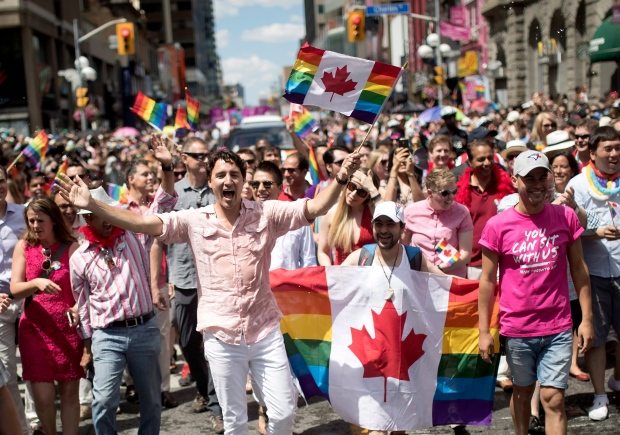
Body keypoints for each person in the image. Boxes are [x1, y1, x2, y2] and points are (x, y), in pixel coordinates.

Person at [57, 148, 362, 434]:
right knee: (234, 421)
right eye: (220, 175)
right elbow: (143, 223)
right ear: (212, 181)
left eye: (234, 174)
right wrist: (93, 205)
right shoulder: (194, 220)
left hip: (265, 329)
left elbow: (318, 206)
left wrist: (342, 178)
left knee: (283, 411)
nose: (227, 180)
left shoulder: (267, 213)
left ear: (243, 180)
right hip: (221, 334)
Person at [478, 150, 594, 435]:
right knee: (522, 391)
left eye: (543, 177)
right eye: (530, 178)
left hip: (558, 326)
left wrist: (588, 319)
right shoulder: (498, 226)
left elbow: (579, 270)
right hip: (517, 328)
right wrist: (483, 331)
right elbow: (487, 281)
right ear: (516, 181)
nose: (538, 184)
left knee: (552, 397)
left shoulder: (565, 216)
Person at [69, 187, 163, 435]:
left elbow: (162, 207)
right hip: (107, 336)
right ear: (88, 219)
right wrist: (88, 344)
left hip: (144, 329)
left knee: (152, 400)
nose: (110, 219)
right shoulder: (79, 258)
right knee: (103, 401)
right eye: (102, 214)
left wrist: (166, 167)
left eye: (112, 213)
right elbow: (83, 305)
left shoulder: (134, 235)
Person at [342, 201, 440, 435]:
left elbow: (446, 287)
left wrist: (485, 293)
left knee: (399, 426)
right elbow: (329, 285)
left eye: (390, 224)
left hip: (402, 357)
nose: (384, 230)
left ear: (402, 228)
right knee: (371, 426)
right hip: (367, 353)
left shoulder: (415, 258)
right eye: (379, 224)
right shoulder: (361, 257)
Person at [156, 137, 223, 428]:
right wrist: (159, 281)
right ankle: (203, 387)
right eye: (196, 155)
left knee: (215, 343)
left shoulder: (219, 189)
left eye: (206, 154)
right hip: (182, 279)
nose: (202, 159)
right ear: (185, 158)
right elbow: (158, 238)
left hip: (214, 279)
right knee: (188, 343)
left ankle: (217, 406)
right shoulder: (176, 193)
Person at [10, 197, 82, 435]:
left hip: (67, 330)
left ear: (53, 220)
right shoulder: (24, 247)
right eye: (30, 220)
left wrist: (79, 308)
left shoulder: (72, 247)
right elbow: (15, 288)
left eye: (40, 220)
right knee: (43, 397)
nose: (35, 225)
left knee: (70, 392)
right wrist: (37, 283)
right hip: (35, 331)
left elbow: (87, 288)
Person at [566, 126, 620, 421]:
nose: (613, 154)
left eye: (617, 148)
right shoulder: (578, 184)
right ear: (594, 151)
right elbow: (570, 232)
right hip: (593, 273)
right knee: (596, 338)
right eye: (608, 149)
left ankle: (617, 381)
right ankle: (600, 395)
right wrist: (595, 232)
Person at [454, 139, 515, 279]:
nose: (487, 163)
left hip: (502, 262)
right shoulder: (459, 190)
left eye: (490, 158)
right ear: (469, 162)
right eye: (481, 159)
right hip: (472, 265)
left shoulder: (506, 185)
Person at [0, 165, 28, 434]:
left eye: (1, 180)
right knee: (6, 371)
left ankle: (38, 421)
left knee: (33, 365)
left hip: (27, 297)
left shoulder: (24, 215)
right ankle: (21, 429)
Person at [403, 169, 472, 278]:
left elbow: (465, 255)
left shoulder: (462, 212)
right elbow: (403, 247)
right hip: (419, 277)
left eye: (454, 191)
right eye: (445, 193)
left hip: (451, 278)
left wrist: (437, 270)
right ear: (430, 193)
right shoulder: (410, 211)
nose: (451, 197)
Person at [318, 169, 380, 266]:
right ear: (346, 184)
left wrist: (372, 189)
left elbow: (390, 216)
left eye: (362, 192)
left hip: (368, 277)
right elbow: (322, 252)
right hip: (340, 277)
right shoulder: (331, 214)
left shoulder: (374, 214)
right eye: (352, 186)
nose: (353, 194)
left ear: (368, 196)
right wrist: (331, 272)